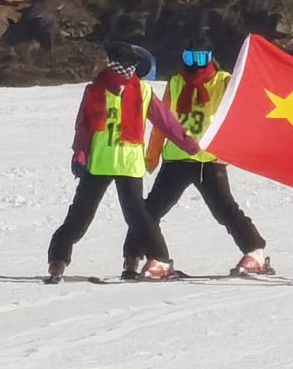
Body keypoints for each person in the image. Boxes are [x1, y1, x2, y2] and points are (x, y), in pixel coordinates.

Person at [47, 40, 201, 283]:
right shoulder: (123, 90)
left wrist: (80, 154)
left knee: (90, 216)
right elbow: (166, 124)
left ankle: (58, 261)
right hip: (115, 163)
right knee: (130, 217)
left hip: (110, 162)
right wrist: (190, 144)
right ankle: (158, 259)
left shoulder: (106, 89)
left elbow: (84, 127)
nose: (128, 70)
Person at [128, 41, 271, 277]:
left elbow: (244, 102)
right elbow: (162, 121)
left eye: (201, 57)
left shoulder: (223, 81)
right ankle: (146, 256)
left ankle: (255, 251)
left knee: (224, 210)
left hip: (209, 159)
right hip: (177, 158)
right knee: (150, 210)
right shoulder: (176, 82)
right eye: (190, 57)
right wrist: (151, 156)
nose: (195, 63)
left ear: (210, 57)